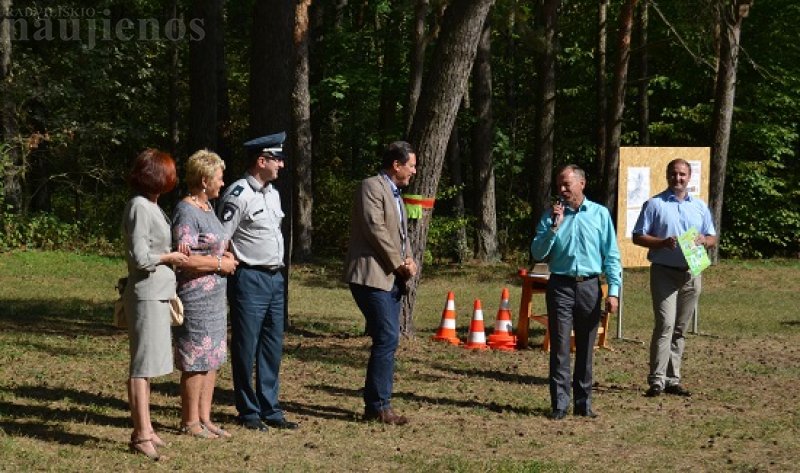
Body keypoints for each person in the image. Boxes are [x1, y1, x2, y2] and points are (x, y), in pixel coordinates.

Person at [218, 132, 298, 432]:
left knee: (271, 345)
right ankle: (248, 410)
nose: (282, 164)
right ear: (261, 161)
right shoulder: (238, 194)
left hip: (275, 278)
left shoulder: (272, 193)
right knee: (246, 346)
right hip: (249, 278)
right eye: (276, 159)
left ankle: (270, 407)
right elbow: (222, 238)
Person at [531, 164, 621, 420]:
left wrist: (613, 291)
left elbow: (612, 255)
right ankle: (560, 404)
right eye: (559, 185)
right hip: (560, 285)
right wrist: (553, 227)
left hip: (590, 286)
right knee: (559, 346)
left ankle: (583, 403)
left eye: (566, 185)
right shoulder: (551, 216)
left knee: (586, 346)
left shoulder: (600, 214)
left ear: (582, 184)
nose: (561, 190)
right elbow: (538, 253)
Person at [343, 141, 418, 425]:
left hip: (392, 277)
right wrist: (399, 262)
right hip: (370, 276)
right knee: (387, 336)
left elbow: (400, 234)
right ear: (396, 165)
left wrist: (411, 261)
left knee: (387, 338)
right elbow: (375, 229)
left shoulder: (397, 194)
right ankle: (377, 406)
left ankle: (378, 404)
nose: (414, 171)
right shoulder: (371, 187)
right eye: (410, 165)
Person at [121, 148, 188, 460]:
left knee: (149, 366)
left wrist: (175, 249)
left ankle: (145, 429)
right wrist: (169, 256)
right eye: (169, 172)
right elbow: (138, 257)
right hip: (146, 293)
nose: (172, 178)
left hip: (158, 292)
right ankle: (140, 434)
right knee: (141, 366)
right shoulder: (138, 206)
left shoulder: (151, 205)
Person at [632, 159, 717, 398]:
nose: (677, 178)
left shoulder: (699, 206)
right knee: (665, 325)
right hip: (664, 273)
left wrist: (704, 240)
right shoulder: (654, 204)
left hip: (692, 273)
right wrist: (661, 242)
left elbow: (712, 237)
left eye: (682, 174)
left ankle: (673, 380)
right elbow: (638, 236)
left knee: (680, 329)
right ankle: (657, 380)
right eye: (673, 174)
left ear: (689, 177)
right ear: (667, 175)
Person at [172, 149, 238, 439]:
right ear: (203, 180)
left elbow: (210, 243)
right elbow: (183, 258)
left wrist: (223, 253)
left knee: (212, 358)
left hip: (215, 297)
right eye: (219, 178)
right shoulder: (186, 210)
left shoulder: (208, 208)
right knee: (196, 359)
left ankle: (205, 418)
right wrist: (220, 263)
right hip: (195, 296)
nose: (222, 184)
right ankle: (190, 422)